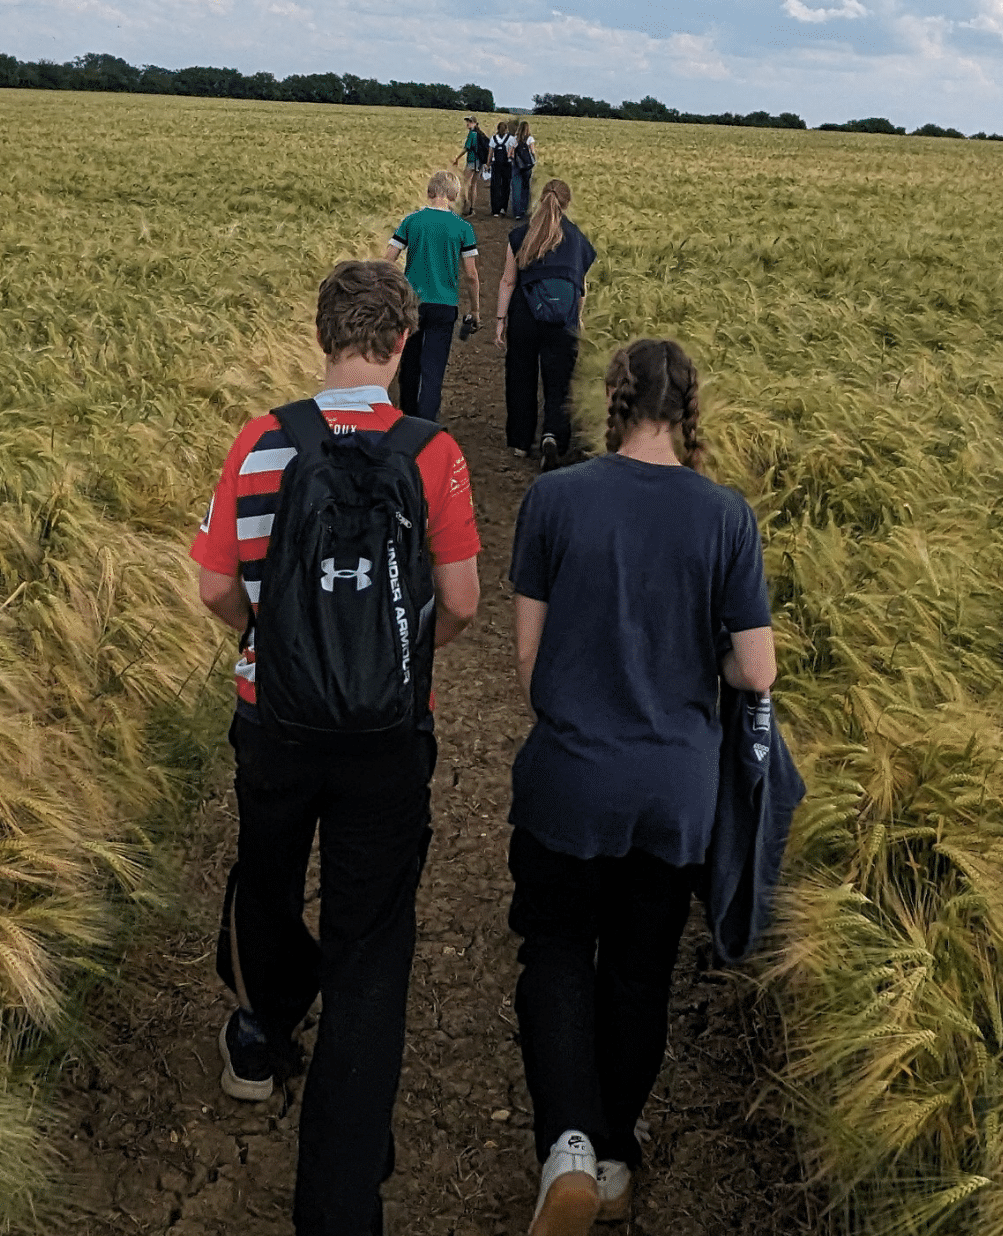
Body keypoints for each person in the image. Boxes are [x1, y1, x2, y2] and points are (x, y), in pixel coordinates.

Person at [192, 260, 483, 1236]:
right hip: (386, 738)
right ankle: (339, 1200)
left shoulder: (261, 440)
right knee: (369, 943)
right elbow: (463, 602)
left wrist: (265, 641)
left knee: (266, 876)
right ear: (402, 344)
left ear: (322, 337)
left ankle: (260, 1032)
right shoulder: (431, 452)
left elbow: (213, 587)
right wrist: (395, 659)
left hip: (270, 716)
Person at [504, 338, 776, 1235]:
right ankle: (615, 1156)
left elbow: (528, 664)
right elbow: (757, 668)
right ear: (691, 407)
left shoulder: (555, 498)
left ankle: (568, 1147)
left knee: (553, 951)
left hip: (571, 778)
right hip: (675, 791)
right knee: (638, 968)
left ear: (615, 402)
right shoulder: (726, 516)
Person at [495, 179, 595, 472]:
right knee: (559, 381)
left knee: (521, 376)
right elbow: (581, 288)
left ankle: (520, 441)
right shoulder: (577, 238)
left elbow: (507, 281)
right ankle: (553, 436)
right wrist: (578, 320)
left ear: (540, 200)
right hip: (562, 319)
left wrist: (500, 320)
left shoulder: (520, 235)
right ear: (567, 204)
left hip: (525, 314)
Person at [387, 170, 481, 420]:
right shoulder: (463, 228)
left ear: (430, 192)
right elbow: (471, 275)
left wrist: (394, 293)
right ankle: (426, 424)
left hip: (412, 304)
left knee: (410, 364)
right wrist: (475, 309)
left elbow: (387, 261)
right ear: (454, 195)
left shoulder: (412, 221)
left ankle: (406, 418)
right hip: (445, 305)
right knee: (433, 368)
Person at [490, 117, 515, 218]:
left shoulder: (493, 138)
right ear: (506, 129)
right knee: (505, 186)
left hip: (496, 165)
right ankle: (503, 208)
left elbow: (490, 152)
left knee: (495, 186)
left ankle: (495, 210)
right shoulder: (511, 138)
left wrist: (488, 163)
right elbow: (512, 152)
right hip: (507, 165)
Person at [511, 119, 535, 216]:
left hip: (517, 166)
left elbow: (511, 153)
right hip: (527, 167)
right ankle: (523, 210)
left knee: (516, 188)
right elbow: (533, 152)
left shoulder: (514, 139)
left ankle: (516, 212)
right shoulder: (530, 139)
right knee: (525, 188)